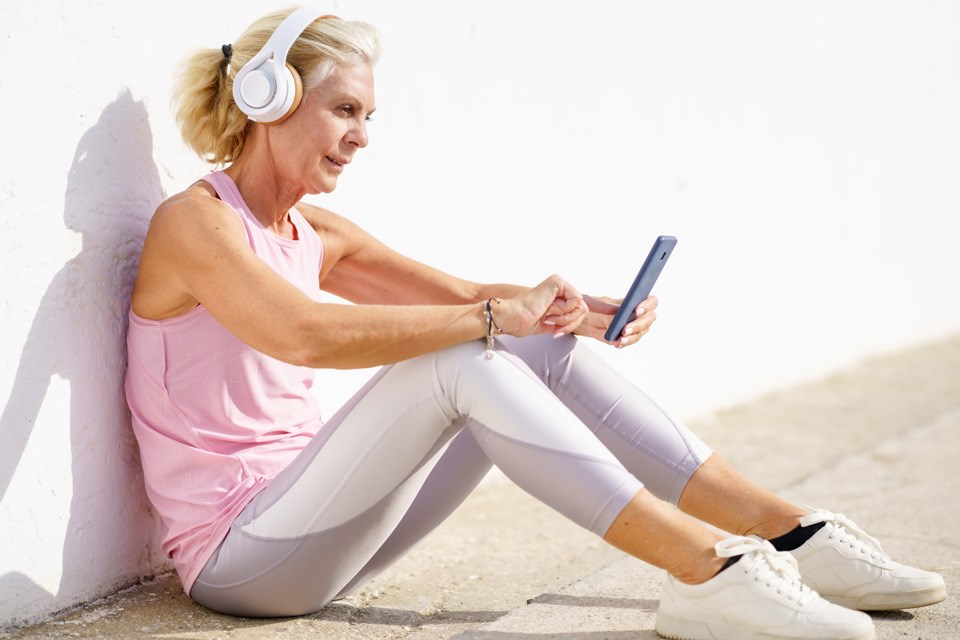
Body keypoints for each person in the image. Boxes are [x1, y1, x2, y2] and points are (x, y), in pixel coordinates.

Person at [125, 7, 946, 640]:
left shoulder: (316, 232)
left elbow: (459, 291)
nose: (362, 138)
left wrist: (573, 313)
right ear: (272, 97)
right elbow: (302, 333)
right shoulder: (195, 223)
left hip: (320, 535)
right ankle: (705, 573)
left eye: (369, 116)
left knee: (517, 339)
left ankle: (792, 533)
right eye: (346, 110)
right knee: (462, 356)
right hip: (241, 560)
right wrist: (489, 316)